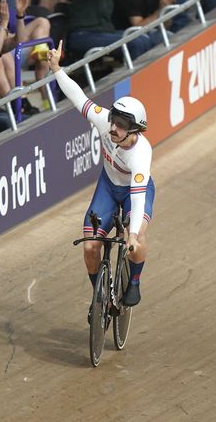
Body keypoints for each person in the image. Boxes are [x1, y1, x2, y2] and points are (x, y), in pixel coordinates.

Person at [47, 40, 153, 307]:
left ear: (135, 130)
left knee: (137, 238)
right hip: (108, 186)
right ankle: (101, 296)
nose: (113, 127)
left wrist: (130, 236)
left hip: (132, 192)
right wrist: (56, 69)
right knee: (90, 246)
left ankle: (135, 281)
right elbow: (79, 98)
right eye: (114, 120)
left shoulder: (141, 154)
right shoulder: (103, 119)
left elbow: (138, 198)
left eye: (121, 125)